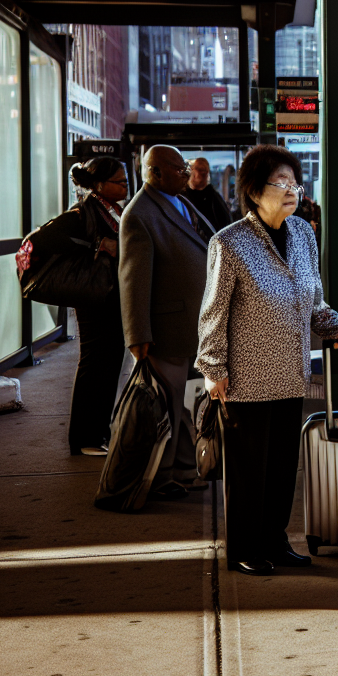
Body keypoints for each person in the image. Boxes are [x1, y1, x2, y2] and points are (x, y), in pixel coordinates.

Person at [196, 144, 338, 576]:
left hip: (290, 375)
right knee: (248, 474)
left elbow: (314, 299)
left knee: (283, 470)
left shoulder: (302, 233)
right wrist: (213, 370)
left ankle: (275, 541)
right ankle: (246, 547)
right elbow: (213, 312)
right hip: (244, 382)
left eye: (294, 183)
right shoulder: (228, 244)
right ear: (253, 191)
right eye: (280, 184)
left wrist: (333, 327)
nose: (291, 191)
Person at [118, 144, 213, 499]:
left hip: (192, 326)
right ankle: (160, 477)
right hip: (164, 330)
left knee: (188, 404)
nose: (186, 174)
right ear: (154, 172)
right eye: (179, 169)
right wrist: (138, 333)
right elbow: (133, 279)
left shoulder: (180, 201)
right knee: (168, 407)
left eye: (186, 167)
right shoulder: (138, 214)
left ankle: (185, 469)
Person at [53, 157, 129, 456]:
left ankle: (98, 432)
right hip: (94, 299)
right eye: (119, 181)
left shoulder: (110, 209)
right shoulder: (84, 210)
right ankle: (84, 438)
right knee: (96, 364)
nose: (125, 185)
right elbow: (51, 239)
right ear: (100, 184)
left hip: (109, 297)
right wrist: (100, 244)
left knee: (109, 364)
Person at [184, 157, 233, 232]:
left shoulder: (214, 198)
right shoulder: (182, 197)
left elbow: (225, 225)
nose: (202, 173)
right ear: (192, 171)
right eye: (199, 169)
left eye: (204, 170)